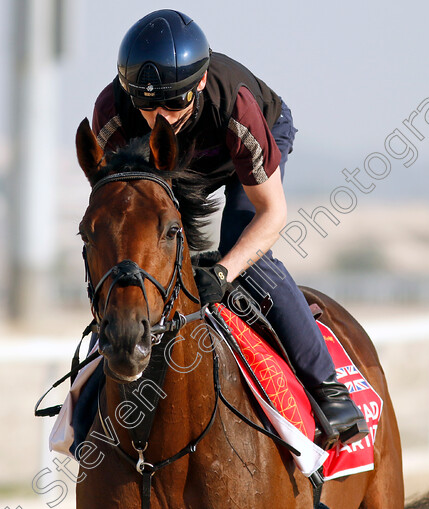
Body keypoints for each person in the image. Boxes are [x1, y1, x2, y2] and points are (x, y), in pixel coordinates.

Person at [90, 9, 366, 445]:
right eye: (146, 105)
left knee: (242, 249)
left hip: (239, 148)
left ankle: (327, 388)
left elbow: (272, 214)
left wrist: (222, 271)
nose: (159, 117)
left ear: (199, 84)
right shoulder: (111, 116)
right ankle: (91, 394)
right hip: (170, 166)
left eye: (174, 102)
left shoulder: (234, 106)